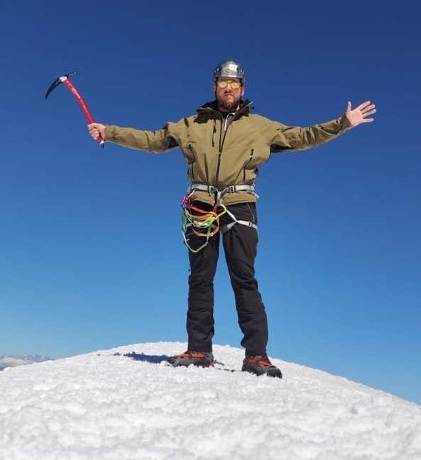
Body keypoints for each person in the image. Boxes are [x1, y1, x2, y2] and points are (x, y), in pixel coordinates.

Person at [88, 60, 376, 379]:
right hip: (200, 203)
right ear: (214, 87)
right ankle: (199, 349)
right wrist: (109, 132)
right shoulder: (191, 124)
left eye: (234, 84)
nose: (228, 89)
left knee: (244, 278)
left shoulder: (261, 126)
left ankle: (256, 355)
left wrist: (343, 123)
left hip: (240, 204)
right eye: (223, 83)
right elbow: (154, 140)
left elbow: (303, 136)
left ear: (243, 89)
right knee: (200, 277)